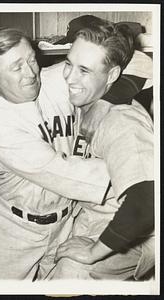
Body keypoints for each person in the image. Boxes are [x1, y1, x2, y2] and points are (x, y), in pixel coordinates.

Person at [0, 18, 153, 280]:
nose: (30, 73)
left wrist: (105, 100)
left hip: (66, 222)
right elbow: (63, 173)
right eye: (16, 68)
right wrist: (133, 174)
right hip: (14, 232)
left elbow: (141, 62)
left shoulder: (60, 79)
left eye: (31, 60)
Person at [47, 18, 154, 280]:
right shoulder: (90, 97)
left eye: (84, 70)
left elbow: (148, 200)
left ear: (114, 75)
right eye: (69, 64)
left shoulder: (121, 121)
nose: (69, 77)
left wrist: (93, 252)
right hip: (94, 218)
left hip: (133, 232)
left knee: (70, 272)